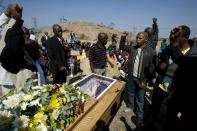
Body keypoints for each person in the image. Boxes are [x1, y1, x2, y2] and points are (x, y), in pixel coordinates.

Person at [119, 31, 156, 127]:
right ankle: (130, 106)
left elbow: (152, 68)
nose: (137, 39)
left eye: (140, 38)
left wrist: (145, 81)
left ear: (146, 40)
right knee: (130, 93)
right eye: (137, 37)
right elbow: (121, 46)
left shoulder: (151, 51)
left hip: (142, 80)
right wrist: (123, 37)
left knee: (140, 99)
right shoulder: (133, 48)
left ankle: (140, 117)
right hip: (131, 77)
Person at [166, 25, 197, 131]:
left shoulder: (193, 56)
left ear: (184, 36)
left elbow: (180, 60)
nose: (174, 31)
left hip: (182, 99)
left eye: (178, 31)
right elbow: (169, 58)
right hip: (167, 84)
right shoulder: (176, 48)